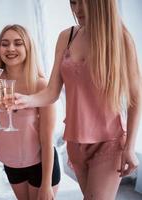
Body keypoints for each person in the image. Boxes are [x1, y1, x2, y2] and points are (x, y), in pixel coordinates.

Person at [14, 0, 141, 199]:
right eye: (73, 3)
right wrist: (24, 100)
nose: (78, 10)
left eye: (85, 3)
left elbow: (136, 97)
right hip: (75, 142)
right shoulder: (67, 37)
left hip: (110, 141)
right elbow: (52, 92)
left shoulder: (121, 39)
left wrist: (130, 147)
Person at [0, 24, 60, 200]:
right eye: (5, 44)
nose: (10, 48)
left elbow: (47, 139)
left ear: (28, 47)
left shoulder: (40, 85)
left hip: (40, 165)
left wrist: (46, 184)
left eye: (18, 43)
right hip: (11, 164)